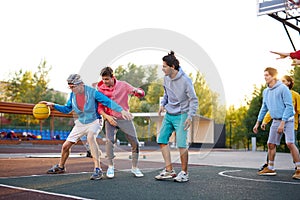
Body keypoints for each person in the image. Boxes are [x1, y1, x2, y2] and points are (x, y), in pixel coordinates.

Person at [41, 74, 133, 180]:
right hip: (81, 123)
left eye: (73, 87)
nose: (71, 89)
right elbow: (67, 109)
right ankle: (61, 167)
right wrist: (53, 105)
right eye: (70, 87)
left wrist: (121, 110)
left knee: (90, 138)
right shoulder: (72, 95)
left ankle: (97, 170)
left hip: (95, 121)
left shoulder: (92, 92)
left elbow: (108, 102)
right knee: (65, 146)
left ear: (80, 84)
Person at [154, 51, 199, 182]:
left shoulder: (185, 80)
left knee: (181, 144)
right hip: (169, 114)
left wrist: (190, 117)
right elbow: (166, 94)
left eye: (164, 66)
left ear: (172, 67)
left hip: (182, 115)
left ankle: (184, 173)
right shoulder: (166, 78)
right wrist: (163, 104)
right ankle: (169, 170)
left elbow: (193, 100)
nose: (162, 69)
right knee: (161, 140)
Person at [97, 66, 145, 178]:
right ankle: (110, 166)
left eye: (107, 79)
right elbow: (99, 108)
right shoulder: (100, 90)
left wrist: (137, 91)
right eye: (103, 79)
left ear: (113, 77)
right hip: (110, 119)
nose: (105, 82)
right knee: (109, 142)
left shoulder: (123, 85)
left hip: (124, 119)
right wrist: (107, 117)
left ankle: (135, 167)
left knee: (135, 143)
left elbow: (139, 93)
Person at [253, 67, 300, 179]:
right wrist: (258, 123)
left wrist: (283, 123)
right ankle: (271, 167)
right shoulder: (266, 91)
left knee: (290, 143)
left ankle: (299, 169)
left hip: (288, 120)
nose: (265, 77)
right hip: (275, 120)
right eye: (264, 75)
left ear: (273, 76)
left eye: (267, 75)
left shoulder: (283, 88)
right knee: (271, 144)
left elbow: (289, 107)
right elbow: (264, 108)